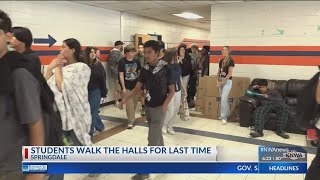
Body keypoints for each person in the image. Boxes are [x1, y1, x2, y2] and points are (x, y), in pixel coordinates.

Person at [119, 40, 174, 180]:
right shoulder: (144, 69)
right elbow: (137, 88)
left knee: (152, 140)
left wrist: (164, 106)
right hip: (149, 107)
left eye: (150, 52)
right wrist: (125, 99)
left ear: (157, 52)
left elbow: (172, 91)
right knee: (157, 137)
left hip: (159, 108)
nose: (147, 55)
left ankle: (144, 172)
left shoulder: (166, 68)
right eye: (145, 52)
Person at [0, 10, 45, 180]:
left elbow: (35, 124)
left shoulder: (19, 74)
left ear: (8, 36)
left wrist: (35, 171)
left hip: (11, 169)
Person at [45, 38, 92, 146]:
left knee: (76, 147)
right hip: (59, 115)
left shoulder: (81, 68)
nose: (60, 49)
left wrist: (57, 67)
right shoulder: (61, 69)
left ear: (72, 50)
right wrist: (49, 68)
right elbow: (45, 84)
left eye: (63, 47)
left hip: (75, 115)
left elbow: (62, 87)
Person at [162, 50, 187, 135]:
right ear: (172, 56)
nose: (178, 56)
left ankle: (170, 126)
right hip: (169, 92)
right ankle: (164, 125)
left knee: (176, 109)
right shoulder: (165, 66)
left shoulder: (177, 66)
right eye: (176, 55)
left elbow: (180, 78)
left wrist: (184, 90)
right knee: (170, 110)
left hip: (178, 90)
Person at [85, 47, 107, 136]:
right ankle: (100, 126)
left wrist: (104, 92)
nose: (93, 54)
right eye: (91, 52)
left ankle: (89, 134)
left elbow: (103, 79)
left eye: (94, 52)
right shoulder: (83, 65)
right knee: (90, 111)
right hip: (85, 91)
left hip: (95, 91)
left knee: (92, 112)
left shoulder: (98, 65)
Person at [118, 44, 141, 129]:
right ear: (126, 53)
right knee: (129, 103)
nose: (133, 53)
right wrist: (123, 87)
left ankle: (131, 116)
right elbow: (121, 75)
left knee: (134, 102)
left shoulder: (137, 60)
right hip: (127, 86)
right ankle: (131, 120)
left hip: (135, 85)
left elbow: (139, 72)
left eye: (134, 51)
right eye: (131, 51)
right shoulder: (122, 61)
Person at [216, 46, 235, 125]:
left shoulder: (231, 60)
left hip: (227, 82)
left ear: (228, 51)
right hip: (221, 81)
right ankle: (226, 114)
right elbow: (218, 72)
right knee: (223, 99)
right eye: (223, 50)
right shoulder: (221, 61)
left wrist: (223, 82)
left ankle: (224, 117)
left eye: (225, 50)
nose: (223, 51)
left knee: (223, 99)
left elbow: (230, 73)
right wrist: (217, 80)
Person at [108, 40, 124, 106]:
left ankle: (118, 102)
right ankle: (119, 102)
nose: (122, 47)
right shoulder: (115, 53)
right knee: (119, 89)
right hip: (117, 73)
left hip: (115, 73)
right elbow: (120, 61)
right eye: (122, 45)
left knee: (118, 89)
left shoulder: (112, 52)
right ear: (119, 45)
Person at [187, 44, 200, 108]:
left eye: (194, 48)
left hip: (194, 73)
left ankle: (191, 99)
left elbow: (199, 65)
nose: (193, 49)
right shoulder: (189, 55)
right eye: (192, 48)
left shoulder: (198, 56)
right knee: (188, 86)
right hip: (189, 72)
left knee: (193, 87)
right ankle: (188, 99)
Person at [135, 43, 146, 116]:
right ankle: (143, 108)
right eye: (139, 47)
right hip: (138, 77)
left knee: (146, 93)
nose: (140, 49)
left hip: (146, 77)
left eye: (141, 47)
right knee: (141, 93)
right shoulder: (135, 57)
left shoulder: (146, 56)